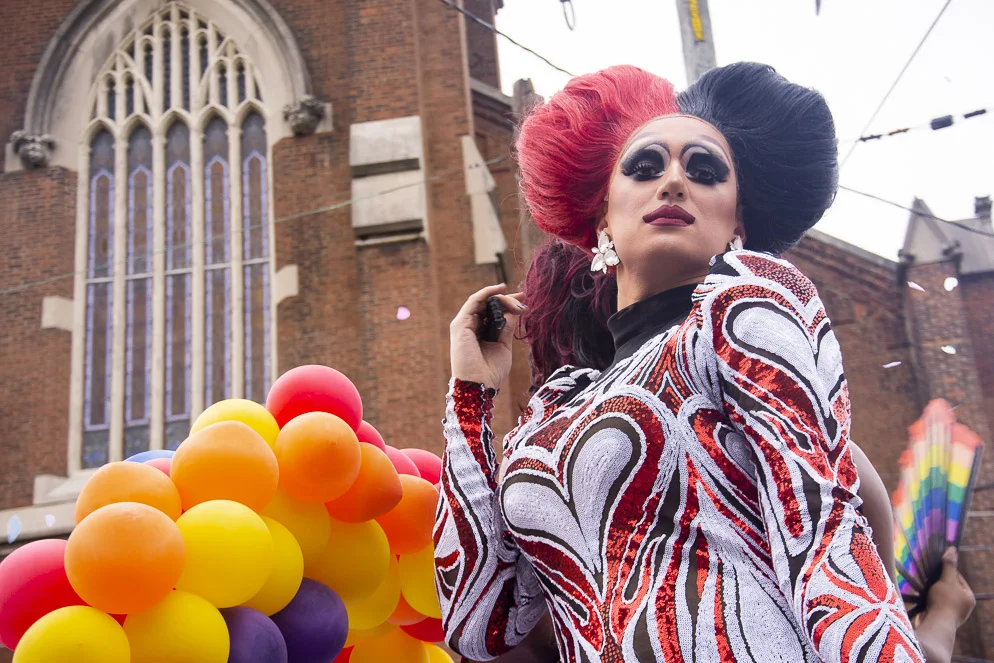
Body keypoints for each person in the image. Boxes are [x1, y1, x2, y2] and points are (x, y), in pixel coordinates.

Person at [436, 62, 929, 662]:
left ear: (737, 224)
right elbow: (478, 626)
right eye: (644, 167)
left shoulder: (747, 310)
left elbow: (822, 538)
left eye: (705, 169)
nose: (672, 181)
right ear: (600, 222)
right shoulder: (550, 410)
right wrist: (470, 396)